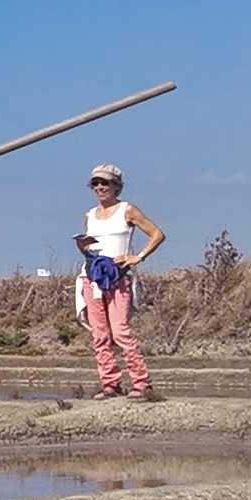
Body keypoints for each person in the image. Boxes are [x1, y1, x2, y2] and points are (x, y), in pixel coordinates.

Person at [73, 163, 164, 400]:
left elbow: (157, 234)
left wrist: (138, 257)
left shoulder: (127, 210)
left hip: (118, 276)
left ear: (116, 186)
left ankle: (142, 383)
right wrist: (84, 248)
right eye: (96, 183)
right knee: (100, 333)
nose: (100, 187)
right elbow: (90, 246)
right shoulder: (89, 215)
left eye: (105, 183)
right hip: (92, 277)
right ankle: (110, 384)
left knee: (121, 331)